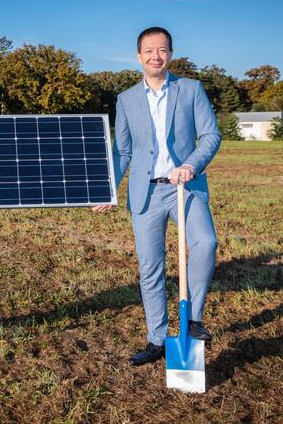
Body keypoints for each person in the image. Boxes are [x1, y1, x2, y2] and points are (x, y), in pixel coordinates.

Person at [93, 27, 221, 366]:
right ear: (138, 56)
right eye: (149, 51)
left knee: (206, 243)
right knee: (151, 268)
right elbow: (121, 151)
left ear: (171, 54)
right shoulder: (126, 99)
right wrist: (107, 187)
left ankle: (191, 320)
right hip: (145, 192)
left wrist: (191, 166)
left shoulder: (191, 90)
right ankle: (157, 338)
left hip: (184, 187)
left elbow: (210, 136)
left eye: (162, 50)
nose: (155, 56)